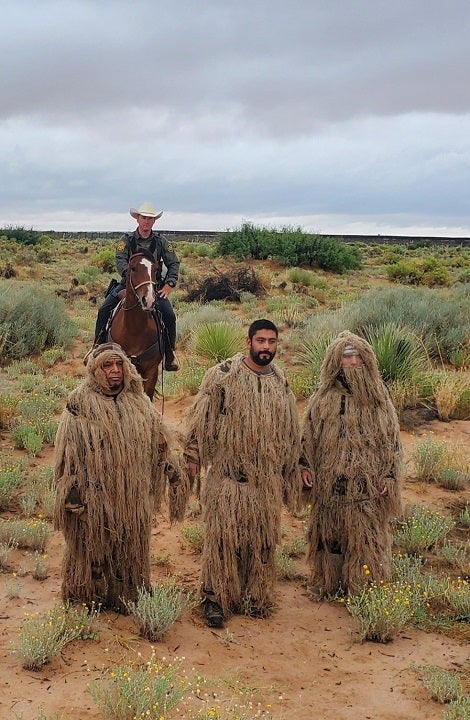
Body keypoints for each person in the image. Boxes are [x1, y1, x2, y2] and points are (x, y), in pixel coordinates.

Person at [184, 319, 302, 628]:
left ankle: (255, 597)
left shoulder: (280, 383)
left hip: (265, 484)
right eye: (260, 341)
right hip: (228, 480)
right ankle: (215, 599)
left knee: (261, 542)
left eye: (271, 342)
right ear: (247, 342)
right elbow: (200, 421)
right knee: (222, 542)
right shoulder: (223, 376)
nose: (266, 347)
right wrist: (193, 457)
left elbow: (291, 434)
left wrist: (293, 470)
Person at [54, 342, 187, 613]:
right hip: (95, 496)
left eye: (119, 365)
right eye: (107, 365)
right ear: (95, 369)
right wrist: (72, 494)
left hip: (131, 495)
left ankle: (128, 593)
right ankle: (87, 595)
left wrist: (171, 469)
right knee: (91, 548)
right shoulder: (79, 404)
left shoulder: (139, 402)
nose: (115, 371)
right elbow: (67, 456)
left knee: (130, 546)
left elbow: (158, 441)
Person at [300, 331, 403, 599]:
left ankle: (363, 591)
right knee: (329, 540)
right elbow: (307, 437)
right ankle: (328, 583)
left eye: (357, 356)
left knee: (365, 541)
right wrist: (305, 467)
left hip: (366, 488)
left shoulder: (379, 400)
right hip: (329, 488)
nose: (353, 362)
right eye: (347, 357)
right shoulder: (323, 399)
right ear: (336, 362)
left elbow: (391, 442)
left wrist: (390, 476)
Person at [94, 202, 180, 371]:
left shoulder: (161, 242)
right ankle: (97, 347)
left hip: (153, 286)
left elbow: (174, 263)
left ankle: (169, 354)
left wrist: (169, 284)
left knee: (169, 315)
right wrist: (130, 279)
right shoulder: (126, 240)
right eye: (144, 218)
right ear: (138, 219)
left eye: (150, 218)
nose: (146, 221)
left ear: (154, 221)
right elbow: (120, 261)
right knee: (104, 309)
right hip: (128, 284)